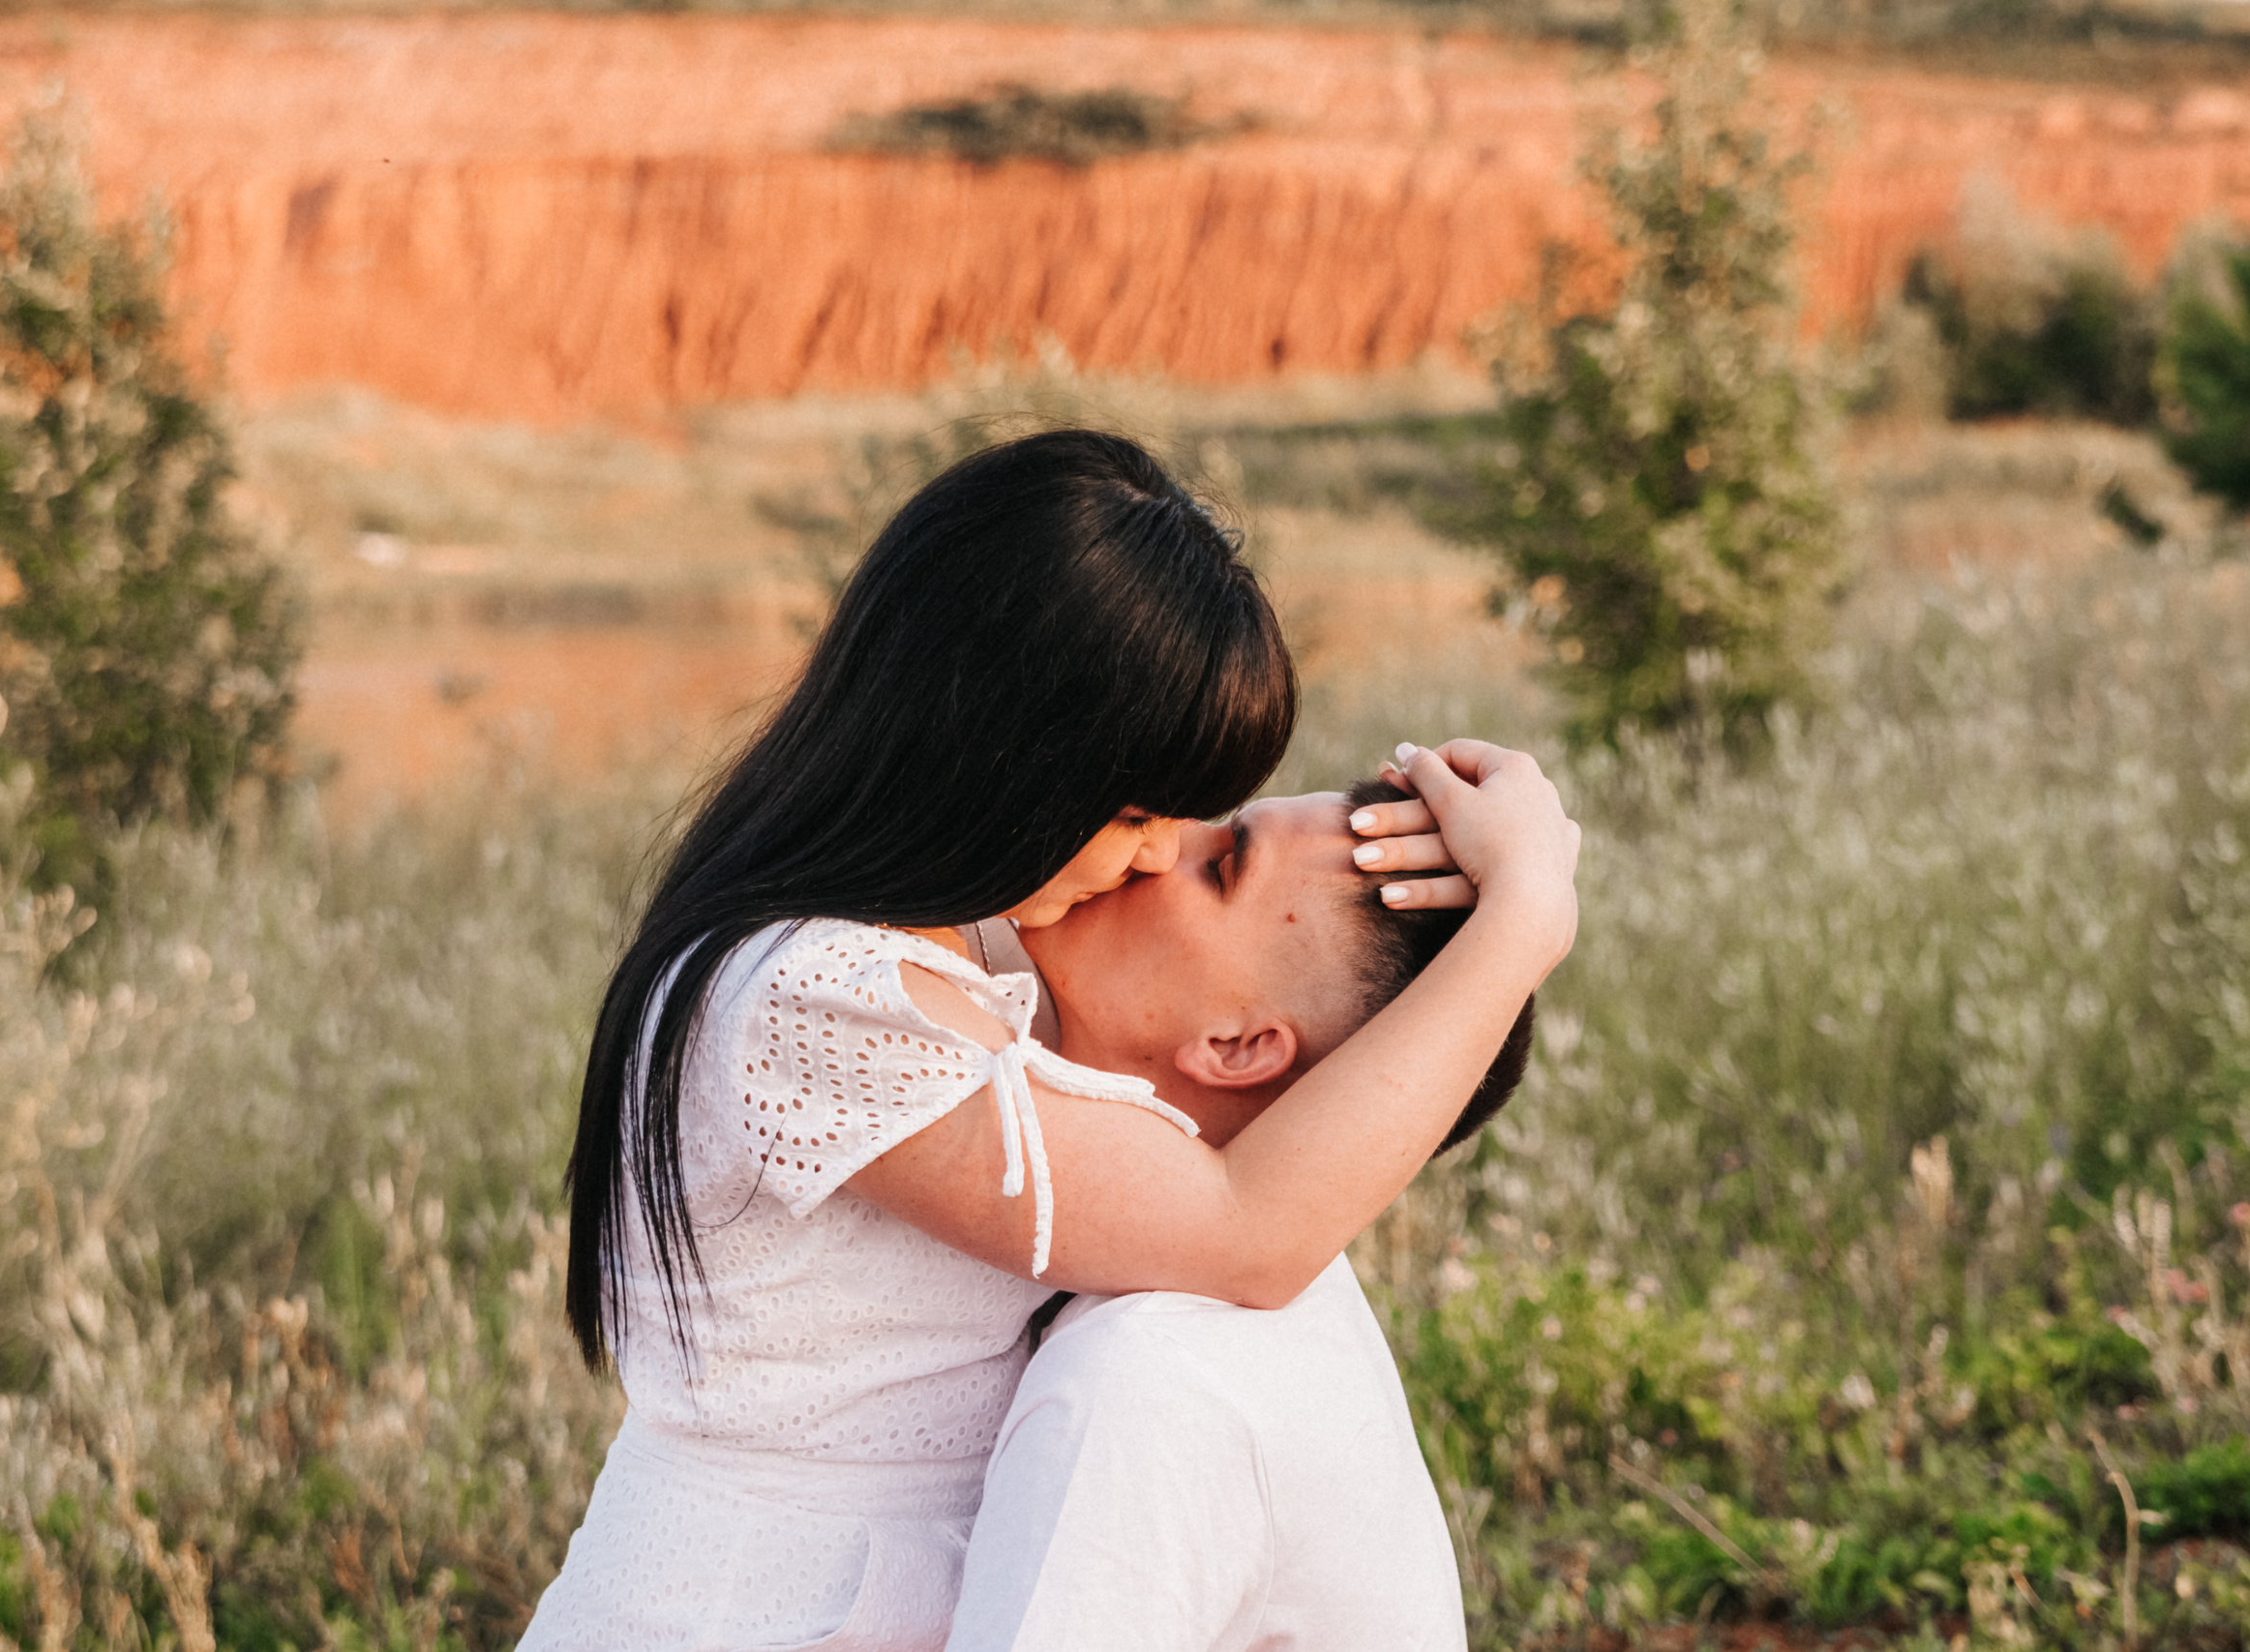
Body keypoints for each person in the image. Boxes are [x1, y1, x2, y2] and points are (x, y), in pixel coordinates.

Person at [524, 431, 1576, 1652]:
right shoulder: (812, 1004)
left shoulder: (961, 941)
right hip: (734, 1614)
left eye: (1196, 827)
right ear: (1004, 761)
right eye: (1137, 812)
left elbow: (1270, 1071)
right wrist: (1524, 924)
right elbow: (1245, 1228)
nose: (1152, 855)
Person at [947, 777, 1514, 1652]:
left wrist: (1533, 915)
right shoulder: (1267, 1276)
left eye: (1221, 866)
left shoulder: (1142, 1380)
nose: (1163, 841)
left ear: (1239, 1047)